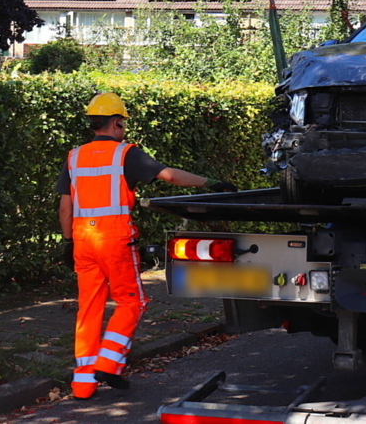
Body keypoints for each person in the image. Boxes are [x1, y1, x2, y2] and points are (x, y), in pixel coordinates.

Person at [57, 92, 238, 399]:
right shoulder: (126, 154)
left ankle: (83, 385)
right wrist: (209, 184)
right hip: (114, 240)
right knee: (132, 302)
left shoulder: (74, 157)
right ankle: (108, 363)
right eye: (123, 123)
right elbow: (170, 176)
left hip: (83, 242)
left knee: (88, 309)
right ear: (116, 122)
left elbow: (65, 207)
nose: (124, 128)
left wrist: (67, 241)